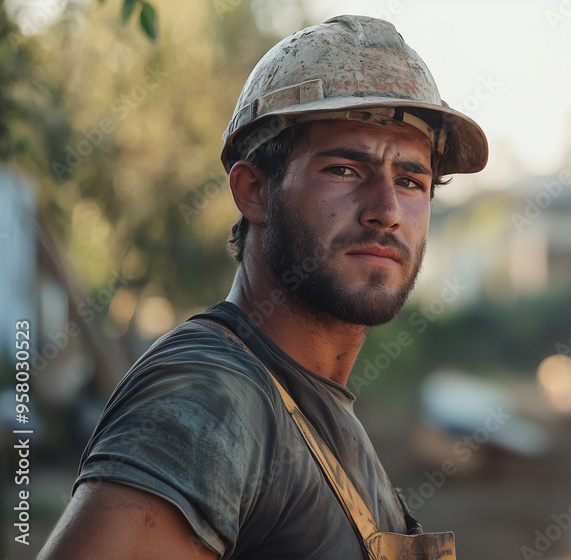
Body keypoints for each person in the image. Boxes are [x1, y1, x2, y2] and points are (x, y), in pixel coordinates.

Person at [38, 15, 487, 560]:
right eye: (345, 169)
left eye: (411, 181)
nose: (387, 212)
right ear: (253, 191)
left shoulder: (312, 406)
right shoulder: (211, 396)